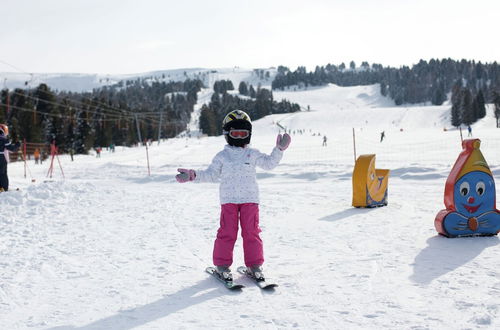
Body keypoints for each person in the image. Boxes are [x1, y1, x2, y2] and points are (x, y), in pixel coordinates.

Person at [175, 110, 291, 282]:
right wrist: (193, 175)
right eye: (235, 133)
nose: (239, 137)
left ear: (249, 134)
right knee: (227, 232)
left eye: (242, 133)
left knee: (251, 233)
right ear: (227, 134)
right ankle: (222, 266)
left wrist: (279, 149)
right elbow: (211, 174)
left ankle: (255, 266)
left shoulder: (252, 154)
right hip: (229, 201)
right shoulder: (222, 156)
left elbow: (269, 164)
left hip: (250, 201)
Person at [0, 124, 21, 192]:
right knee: (3, 173)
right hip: (1, 157)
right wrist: (17, 145)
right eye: (6, 131)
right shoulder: (3, 139)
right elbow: (11, 148)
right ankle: (4, 188)